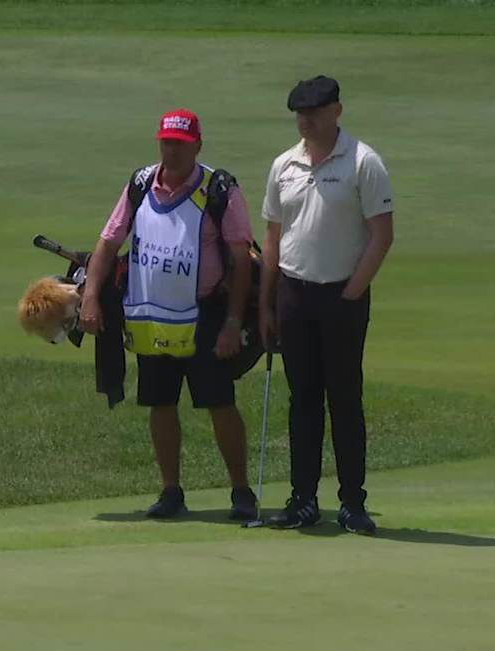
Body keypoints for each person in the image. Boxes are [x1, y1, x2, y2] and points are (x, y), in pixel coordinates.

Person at [79, 109, 258, 520]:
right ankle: (171, 491)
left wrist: (233, 323)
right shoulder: (141, 184)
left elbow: (241, 259)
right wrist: (90, 296)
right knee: (160, 403)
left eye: (179, 143)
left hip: (206, 314)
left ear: (197, 144)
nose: (171, 151)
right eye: (165, 142)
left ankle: (241, 491)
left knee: (219, 402)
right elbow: (108, 243)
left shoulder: (219, 188)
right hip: (151, 315)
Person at [258, 76, 393, 534]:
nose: (305, 120)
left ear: (336, 110)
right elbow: (273, 239)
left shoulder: (362, 162)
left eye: (314, 112)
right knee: (303, 401)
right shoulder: (284, 165)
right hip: (293, 293)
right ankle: (303, 500)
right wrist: (267, 302)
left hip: (342, 295)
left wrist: (353, 290)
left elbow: (381, 234)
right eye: (300, 113)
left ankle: (353, 502)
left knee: (345, 399)